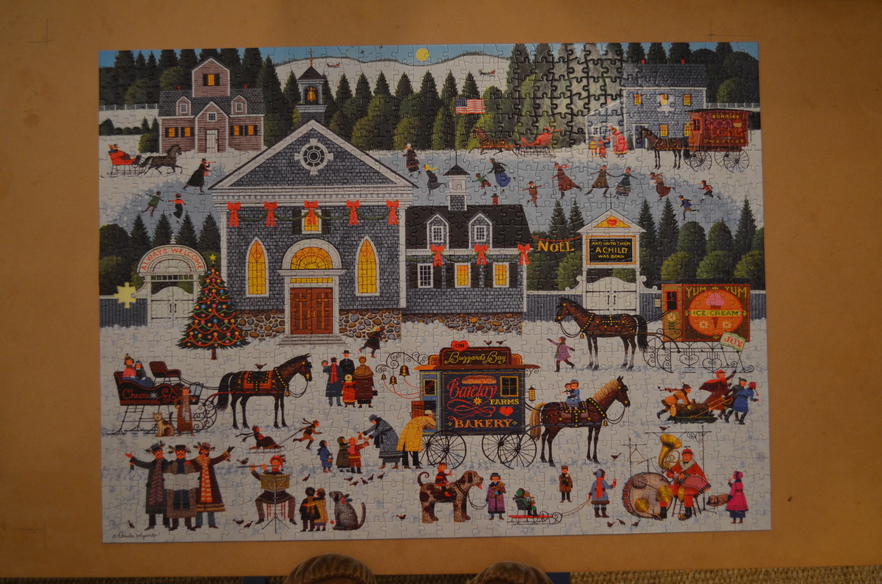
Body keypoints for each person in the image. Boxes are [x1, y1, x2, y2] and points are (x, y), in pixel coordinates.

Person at [126, 442, 170, 530]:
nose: (159, 454)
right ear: (154, 455)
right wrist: (133, 458)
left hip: (163, 487)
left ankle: (167, 524)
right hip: (152, 487)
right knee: (151, 505)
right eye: (157, 453)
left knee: (165, 505)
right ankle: (151, 524)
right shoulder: (152, 464)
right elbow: (142, 464)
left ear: (162, 452)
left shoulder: (167, 463)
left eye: (160, 452)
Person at [191, 442, 232, 529]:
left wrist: (227, 453)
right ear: (200, 450)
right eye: (202, 450)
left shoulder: (210, 461)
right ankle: (198, 524)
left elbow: (218, 459)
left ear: (208, 452)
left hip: (209, 485)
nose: (204, 452)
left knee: (211, 505)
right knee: (198, 505)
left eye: (205, 451)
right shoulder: (195, 461)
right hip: (199, 486)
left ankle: (212, 524)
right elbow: (187, 463)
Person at [664, 447, 707, 521]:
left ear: (691, 455)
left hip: (690, 487)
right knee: (664, 490)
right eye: (685, 455)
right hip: (678, 486)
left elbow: (702, 476)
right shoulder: (678, 464)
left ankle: (688, 513)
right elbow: (668, 472)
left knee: (687, 493)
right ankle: (662, 512)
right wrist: (675, 476)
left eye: (688, 455)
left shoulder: (695, 465)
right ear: (682, 455)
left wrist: (703, 486)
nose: (686, 457)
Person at [250, 455, 295, 524]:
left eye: (277, 462)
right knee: (257, 500)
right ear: (271, 463)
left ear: (280, 464)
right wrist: (253, 470)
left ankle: (291, 518)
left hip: (281, 494)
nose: (275, 463)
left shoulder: (281, 474)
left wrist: (265, 470)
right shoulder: (267, 474)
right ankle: (261, 518)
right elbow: (261, 478)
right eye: (273, 462)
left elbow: (273, 477)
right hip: (268, 494)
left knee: (292, 499)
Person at [164, 444, 198, 531]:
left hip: (187, 488)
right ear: (175, 453)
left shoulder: (189, 464)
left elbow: (193, 474)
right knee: (174, 505)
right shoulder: (172, 464)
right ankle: (175, 525)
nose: (180, 454)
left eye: (182, 452)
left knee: (188, 505)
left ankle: (188, 525)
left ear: (185, 453)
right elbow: (168, 475)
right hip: (175, 488)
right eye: (178, 452)